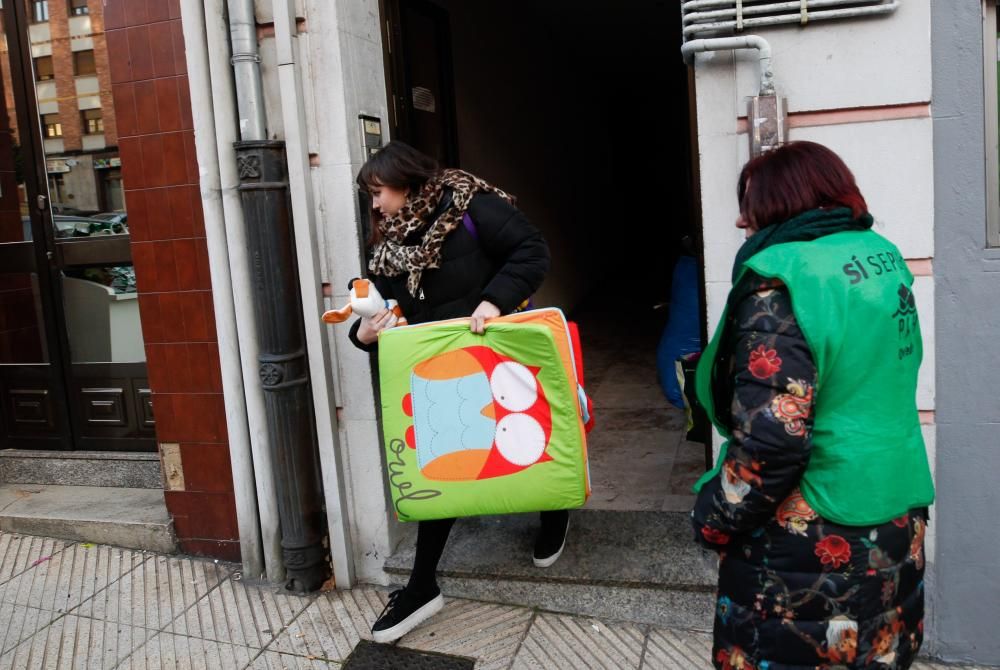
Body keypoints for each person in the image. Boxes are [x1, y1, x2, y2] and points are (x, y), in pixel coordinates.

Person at [691, 141, 935, 668]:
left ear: (786, 200)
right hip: (897, 506)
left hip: (813, 532)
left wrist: (713, 515)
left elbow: (772, 439)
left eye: (750, 202)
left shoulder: (782, 277)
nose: (740, 219)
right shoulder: (881, 256)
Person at [348, 140, 570, 644]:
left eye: (378, 193)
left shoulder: (469, 205)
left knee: (527, 439)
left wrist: (493, 303)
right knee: (444, 465)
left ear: (405, 183)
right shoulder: (387, 242)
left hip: (498, 352)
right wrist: (364, 334)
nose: (376, 206)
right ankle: (422, 585)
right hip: (443, 367)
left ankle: (555, 512)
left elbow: (532, 251)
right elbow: (375, 305)